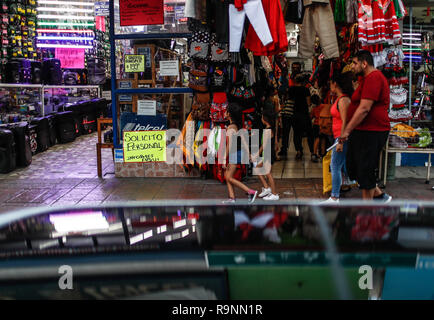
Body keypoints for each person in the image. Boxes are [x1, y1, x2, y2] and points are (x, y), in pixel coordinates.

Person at [340, 50, 392, 202]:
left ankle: (367, 210)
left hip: (373, 131)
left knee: (365, 169)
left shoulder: (374, 77)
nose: (352, 66)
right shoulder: (365, 79)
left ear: (364, 63)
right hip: (362, 131)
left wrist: (347, 130)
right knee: (355, 168)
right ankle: (380, 196)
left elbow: (364, 108)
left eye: (355, 63)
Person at [322, 71, 354, 203]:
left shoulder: (343, 100)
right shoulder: (340, 99)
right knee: (342, 166)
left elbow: (345, 121)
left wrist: (340, 140)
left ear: (335, 84)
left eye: (331, 83)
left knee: (335, 166)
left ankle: (334, 197)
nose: (330, 86)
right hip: (339, 137)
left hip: (342, 138)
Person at [222, 103, 258, 203]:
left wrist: (224, 158)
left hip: (235, 153)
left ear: (229, 114)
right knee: (227, 175)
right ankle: (232, 198)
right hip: (238, 152)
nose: (224, 112)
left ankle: (250, 191)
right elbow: (244, 141)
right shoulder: (237, 125)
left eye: (226, 111)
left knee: (229, 177)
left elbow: (229, 144)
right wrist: (249, 154)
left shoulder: (231, 128)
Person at [280, 73, 315, 161]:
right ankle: (312, 152)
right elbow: (308, 102)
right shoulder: (306, 90)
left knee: (297, 133)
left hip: (295, 113)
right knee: (309, 133)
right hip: (304, 113)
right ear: (303, 81)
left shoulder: (291, 89)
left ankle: (299, 151)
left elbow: (287, 99)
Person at [254, 104, 279, 200]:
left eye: (262, 117)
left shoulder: (267, 131)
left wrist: (257, 154)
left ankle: (274, 194)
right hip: (267, 154)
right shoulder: (269, 129)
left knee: (268, 174)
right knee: (258, 168)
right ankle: (267, 188)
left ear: (265, 119)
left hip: (268, 154)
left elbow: (264, 145)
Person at [310, 94, 322, 162]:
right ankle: (314, 153)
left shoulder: (314, 109)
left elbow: (311, 116)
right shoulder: (323, 106)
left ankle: (316, 153)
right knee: (319, 139)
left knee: (316, 139)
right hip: (320, 125)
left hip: (315, 125)